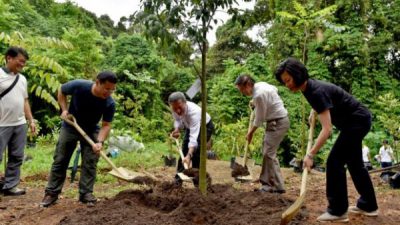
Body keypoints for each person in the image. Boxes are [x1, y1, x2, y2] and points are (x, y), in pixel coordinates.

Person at [275, 57, 378, 222]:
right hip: (356, 120)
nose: (287, 85)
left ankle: (337, 211)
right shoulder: (308, 88)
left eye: (288, 80)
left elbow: (327, 130)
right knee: (355, 163)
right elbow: (325, 102)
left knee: (334, 162)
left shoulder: (315, 91)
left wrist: (310, 154)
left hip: (356, 121)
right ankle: (369, 205)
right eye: (284, 82)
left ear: (298, 74)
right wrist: (314, 111)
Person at [40, 71, 117, 207]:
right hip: (71, 126)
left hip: (92, 129)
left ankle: (86, 193)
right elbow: (61, 91)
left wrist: (99, 142)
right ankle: (52, 193)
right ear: (97, 82)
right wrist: (64, 110)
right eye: (107, 88)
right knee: (60, 159)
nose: (109, 92)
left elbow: (106, 125)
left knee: (90, 162)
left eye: (112, 89)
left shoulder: (109, 103)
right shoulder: (79, 86)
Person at [235, 74, 289, 193]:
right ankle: (270, 184)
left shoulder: (259, 95)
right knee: (267, 153)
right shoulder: (261, 85)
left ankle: (274, 186)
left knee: (268, 154)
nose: (242, 93)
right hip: (277, 121)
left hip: (277, 123)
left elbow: (259, 119)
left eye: (242, 90)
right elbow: (275, 89)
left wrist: (250, 133)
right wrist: (255, 102)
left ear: (248, 85)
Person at [0, 46, 36, 196]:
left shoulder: (22, 79)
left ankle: (10, 186)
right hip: (2, 124)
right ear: (9, 58)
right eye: (20, 61)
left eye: (24, 62)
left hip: (19, 124)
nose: (22, 65)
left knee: (17, 156)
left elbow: (25, 101)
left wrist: (31, 120)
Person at [168, 92, 214, 186]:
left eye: (180, 107)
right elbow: (177, 120)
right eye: (174, 108)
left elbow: (193, 138)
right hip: (190, 127)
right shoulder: (175, 108)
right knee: (184, 151)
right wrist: (177, 129)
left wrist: (189, 155)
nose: (178, 110)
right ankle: (177, 182)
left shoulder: (194, 113)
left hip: (205, 126)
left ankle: (198, 184)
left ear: (185, 102)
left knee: (196, 153)